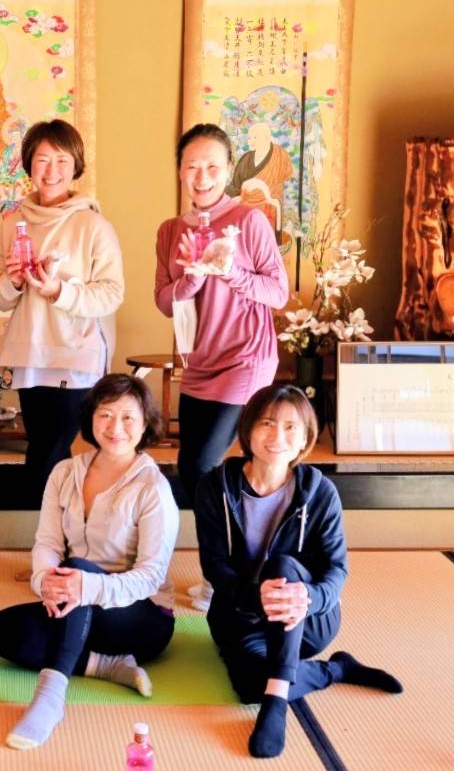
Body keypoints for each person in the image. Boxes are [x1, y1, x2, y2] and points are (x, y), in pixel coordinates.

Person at [196, 384, 402, 758]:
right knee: (248, 686)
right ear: (248, 428)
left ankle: (276, 701)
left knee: (283, 567)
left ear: (306, 437)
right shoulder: (216, 487)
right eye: (267, 423)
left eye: (291, 427)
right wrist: (254, 596)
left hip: (309, 621)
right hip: (242, 616)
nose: (278, 436)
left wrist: (308, 596)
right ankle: (335, 671)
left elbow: (336, 569)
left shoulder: (319, 492)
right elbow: (214, 566)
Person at [0, 374, 178, 750]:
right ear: (90, 418)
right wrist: (45, 581)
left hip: (140, 618)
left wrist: (84, 584)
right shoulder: (65, 472)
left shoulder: (152, 487)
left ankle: (50, 698)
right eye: (106, 415)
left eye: (128, 418)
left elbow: (151, 577)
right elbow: (47, 544)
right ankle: (105, 665)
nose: (115, 427)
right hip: (76, 607)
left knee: (79, 570)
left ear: (145, 424)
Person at [155, 123, 289, 609]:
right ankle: (233, 569)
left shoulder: (248, 221)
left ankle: (226, 578)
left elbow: (278, 292)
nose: (202, 176)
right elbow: (164, 301)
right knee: (198, 473)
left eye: (212, 166)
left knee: (200, 465)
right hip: (199, 361)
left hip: (246, 358)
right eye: (192, 166)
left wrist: (230, 271)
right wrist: (191, 280)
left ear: (229, 169)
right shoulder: (171, 230)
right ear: (180, 171)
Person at [0, 119, 124, 508]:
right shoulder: (13, 224)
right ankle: (55, 532)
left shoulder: (93, 225)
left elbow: (111, 294)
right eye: (43, 159)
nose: (51, 170)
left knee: (48, 454)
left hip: (75, 355)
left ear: (75, 165)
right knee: (45, 450)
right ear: (29, 163)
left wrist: (59, 291)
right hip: (31, 354)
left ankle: (46, 532)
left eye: (61, 160)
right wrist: (14, 282)